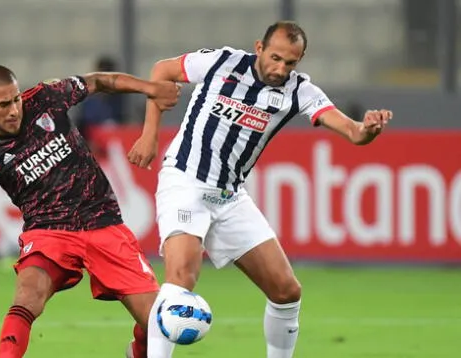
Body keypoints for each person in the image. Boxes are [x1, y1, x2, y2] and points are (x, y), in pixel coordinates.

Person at [127, 21, 392, 358]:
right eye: (276, 58)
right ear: (259, 48)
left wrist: (368, 128)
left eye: (291, 63)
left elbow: (353, 133)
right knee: (181, 279)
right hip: (186, 180)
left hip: (229, 197)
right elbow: (162, 71)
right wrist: (149, 134)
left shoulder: (300, 91)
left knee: (286, 290)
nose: (280, 69)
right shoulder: (221, 62)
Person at [0, 65, 181, 358]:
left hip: (102, 220)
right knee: (27, 297)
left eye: (15, 99)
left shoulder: (46, 98)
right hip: (48, 231)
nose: (14, 109)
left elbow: (98, 81)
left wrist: (149, 88)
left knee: (160, 323)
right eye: (3, 104)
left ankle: (137, 352)